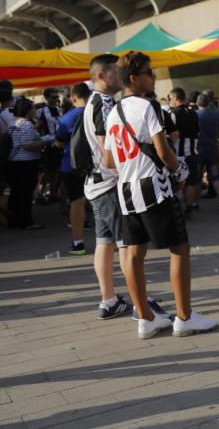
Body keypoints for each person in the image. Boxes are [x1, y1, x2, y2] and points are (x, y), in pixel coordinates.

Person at [104, 52, 217, 339]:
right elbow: (165, 152)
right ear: (134, 77)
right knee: (179, 248)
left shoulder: (113, 112)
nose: (153, 77)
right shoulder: (148, 107)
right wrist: (179, 171)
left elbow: (108, 161)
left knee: (133, 253)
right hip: (154, 188)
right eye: (149, 73)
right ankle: (184, 316)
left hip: (126, 191)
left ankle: (145, 317)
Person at [82, 54, 139, 320]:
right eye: (116, 72)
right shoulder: (103, 104)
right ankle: (140, 302)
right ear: (102, 76)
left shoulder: (95, 101)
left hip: (97, 183)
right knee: (126, 244)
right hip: (108, 183)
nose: (121, 76)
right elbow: (109, 149)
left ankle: (109, 300)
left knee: (104, 243)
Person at [4, 98, 52, 230]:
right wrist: (46, 141)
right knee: (25, 193)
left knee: (16, 192)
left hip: (14, 162)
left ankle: (14, 219)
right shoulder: (26, 124)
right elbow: (28, 145)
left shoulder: (12, 123)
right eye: (33, 108)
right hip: (26, 163)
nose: (35, 110)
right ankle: (26, 221)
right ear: (28, 110)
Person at [54, 83, 90, 255]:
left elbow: (59, 142)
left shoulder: (67, 118)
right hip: (98, 163)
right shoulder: (98, 112)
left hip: (71, 164)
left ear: (73, 98)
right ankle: (113, 240)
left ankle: (78, 243)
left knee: (76, 202)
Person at [167, 88, 200, 215]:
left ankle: (178, 207)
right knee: (191, 181)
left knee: (178, 180)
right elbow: (198, 132)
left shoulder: (173, 114)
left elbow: (173, 133)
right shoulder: (193, 113)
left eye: (171, 98)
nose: (170, 101)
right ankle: (189, 206)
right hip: (192, 151)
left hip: (179, 154)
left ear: (175, 98)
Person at [195, 93, 219, 211]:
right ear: (208, 103)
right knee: (215, 176)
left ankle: (195, 202)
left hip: (199, 148)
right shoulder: (217, 113)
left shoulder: (195, 114)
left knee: (197, 177)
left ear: (198, 103)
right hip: (213, 147)